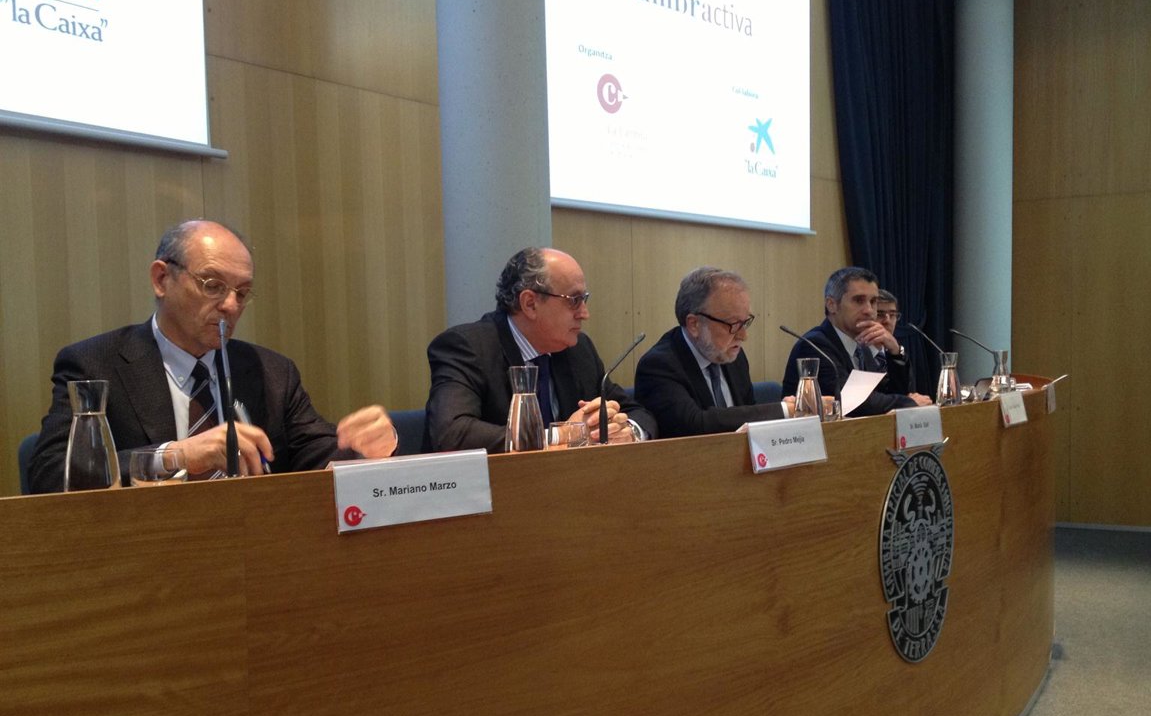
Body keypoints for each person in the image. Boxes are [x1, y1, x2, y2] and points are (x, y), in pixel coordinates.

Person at [28, 220, 398, 493]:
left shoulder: (271, 371)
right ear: (161, 279)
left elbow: (316, 454)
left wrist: (365, 448)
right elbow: (52, 475)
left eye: (242, 292)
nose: (230, 305)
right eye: (213, 285)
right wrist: (175, 457)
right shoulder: (95, 363)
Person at [423, 247, 656, 452]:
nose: (585, 313)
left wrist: (627, 431)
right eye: (574, 300)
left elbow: (640, 414)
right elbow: (452, 433)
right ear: (530, 304)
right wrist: (561, 435)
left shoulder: (578, 349)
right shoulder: (467, 347)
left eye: (584, 299)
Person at [634, 266, 795, 438]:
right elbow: (695, 425)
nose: (743, 336)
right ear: (694, 324)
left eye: (745, 322)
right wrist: (784, 410)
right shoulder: (658, 366)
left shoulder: (734, 355)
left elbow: (748, 418)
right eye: (733, 324)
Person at [781, 267, 931, 416]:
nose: (869, 310)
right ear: (832, 305)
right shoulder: (814, 345)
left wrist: (895, 351)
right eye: (859, 300)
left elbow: (890, 394)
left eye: (873, 301)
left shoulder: (863, 346)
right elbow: (851, 402)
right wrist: (908, 403)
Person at [876, 288, 916, 394]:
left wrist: (896, 352)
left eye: (892, 315)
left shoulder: (898, 353)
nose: (887, 321)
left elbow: (908, 391)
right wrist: (906, 400)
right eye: (880, 314)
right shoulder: (858, 354)